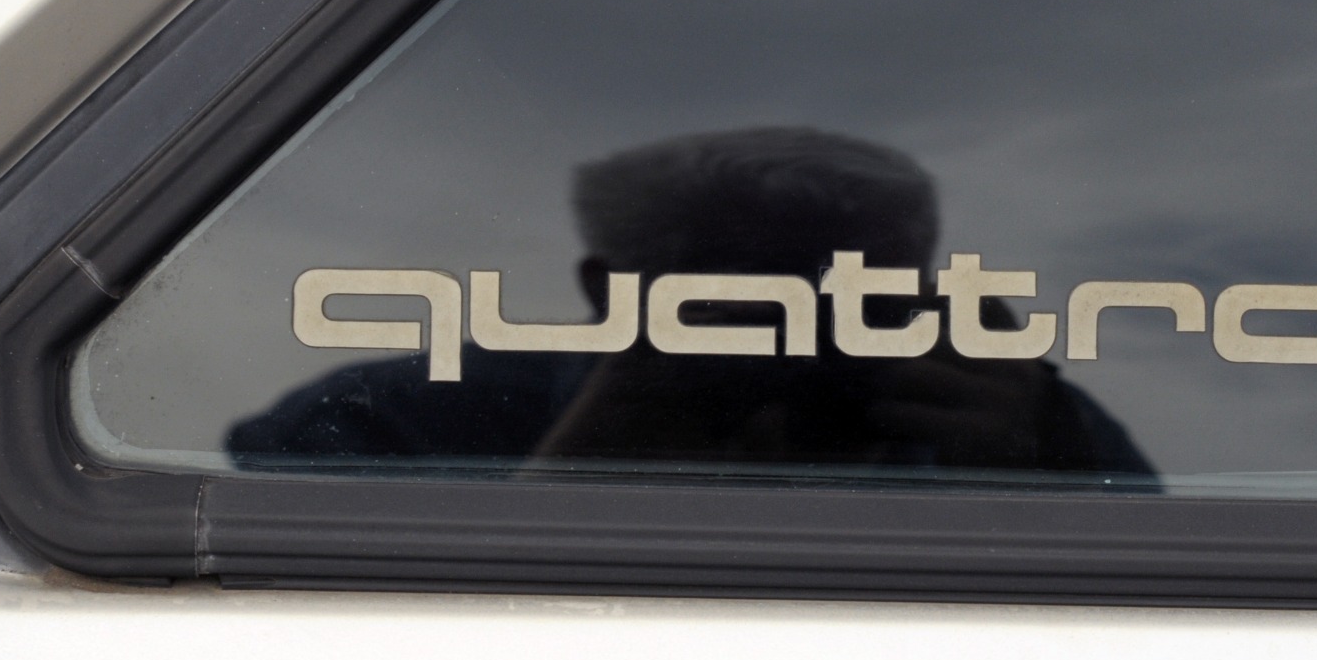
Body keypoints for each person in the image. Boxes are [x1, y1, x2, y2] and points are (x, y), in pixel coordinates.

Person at [227, 126, 1156, 482]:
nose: (805, 337)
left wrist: (1032, 462)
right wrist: (603, 446)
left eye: (864, 297)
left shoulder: (1020, 423)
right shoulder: (389, 424)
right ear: (610, 296)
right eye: (751, 301)